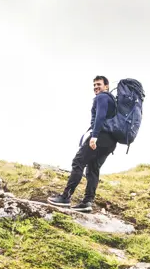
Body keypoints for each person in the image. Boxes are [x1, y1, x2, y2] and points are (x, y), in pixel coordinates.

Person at [48, 75, 118, 213]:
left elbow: (100, 116)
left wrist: (94, 136)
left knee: (78, 162)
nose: (96, 87)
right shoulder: (113, 101)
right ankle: (87, 202)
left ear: (107, 86)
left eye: (99, 84)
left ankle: (65, 197)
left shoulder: (102, 97)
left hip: (101, 136)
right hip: (111, 141)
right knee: (93, 169)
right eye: (94, 85)